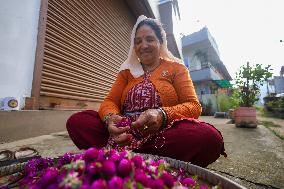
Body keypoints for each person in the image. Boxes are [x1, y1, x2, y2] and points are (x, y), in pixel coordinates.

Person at [66, 15, 226, 167]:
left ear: (161, 42)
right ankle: (147, 160)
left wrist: (162, 115)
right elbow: (110, 101)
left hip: (161, 135)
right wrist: (110, 119)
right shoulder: (126, 73)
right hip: (122, 135)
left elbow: (193, 106)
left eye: (150, 39)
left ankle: (124, 158)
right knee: (78, 121)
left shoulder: (176, 69)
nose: (143, 45)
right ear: (134, 46)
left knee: (208, 138)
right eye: (138, 41)